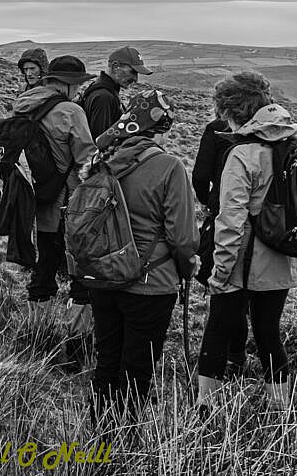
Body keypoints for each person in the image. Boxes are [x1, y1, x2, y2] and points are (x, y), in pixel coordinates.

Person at [197, 72, 297, 411]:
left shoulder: (242, 155)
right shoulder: (290, 144)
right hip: (282, 260)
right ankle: (280, 408)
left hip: (243, 263)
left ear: (232, 111)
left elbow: (230, 223)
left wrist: (219, 273)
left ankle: (207, 408)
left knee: (218, 328)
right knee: (268, 333)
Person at [83, 90, 198, 417]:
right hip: (150, 283)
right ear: (161, 126)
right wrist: (189, 267)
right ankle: (123, 442)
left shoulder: (102, 160)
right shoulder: (169, 167)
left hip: (103, 276)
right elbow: (183, 237)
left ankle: (99, 436)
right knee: (137, 369)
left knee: (107, 359)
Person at [11, 55, 97, 304]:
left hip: (35, 192)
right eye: (77, 85)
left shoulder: (25, 103)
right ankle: (78, 322)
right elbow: (86, 159)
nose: (78, 90)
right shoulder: (71, 111)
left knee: (45, 258)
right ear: (67, 83)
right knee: (79, 261)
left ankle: (38, 315)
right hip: (67, 198)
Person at [191, 116, 248, 376]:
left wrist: (206, 201)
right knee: (255, 302)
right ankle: (237, 353)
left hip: (223, 214)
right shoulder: (275, 136)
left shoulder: (216, 129)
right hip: (268, 230)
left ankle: (220, 362)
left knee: (223, 291)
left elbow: (201, 175)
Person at [82, 46, 153, 139]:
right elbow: (99, 141)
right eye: (133, 72)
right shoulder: (104, 97)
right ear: (115, 66)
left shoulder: (103, 90)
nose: (135, 79)